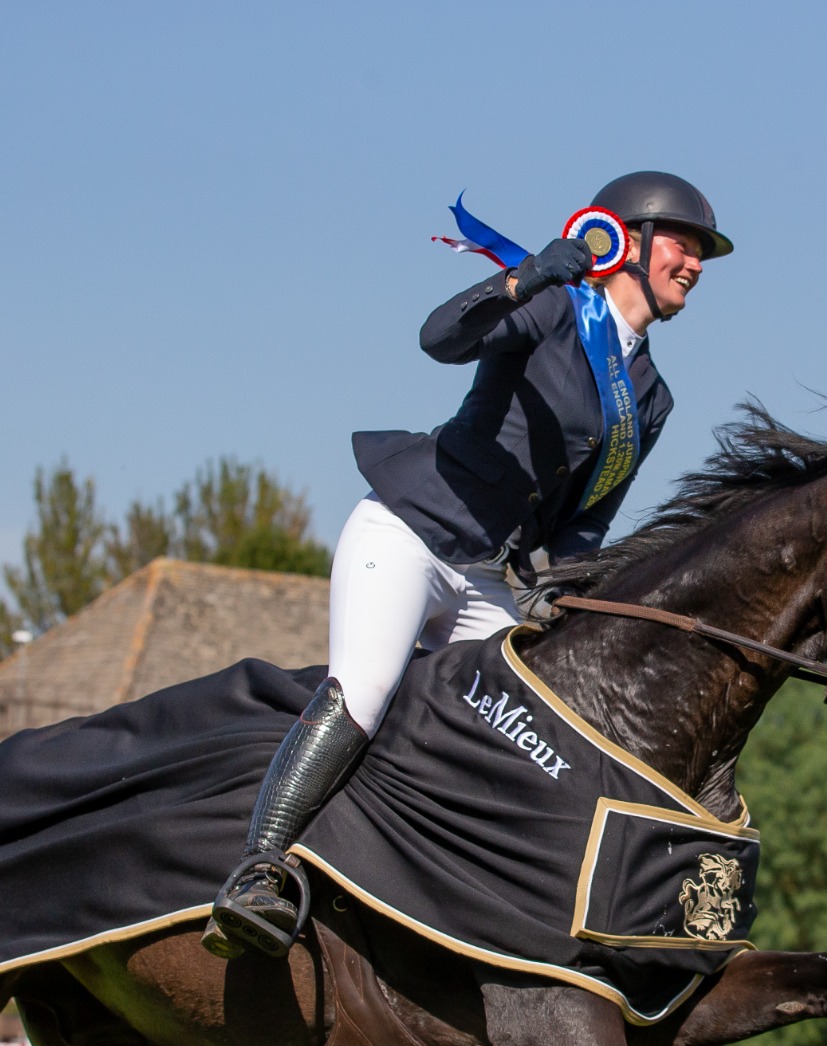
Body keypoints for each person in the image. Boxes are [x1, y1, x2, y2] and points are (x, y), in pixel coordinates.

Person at [203, 171, 734, 959]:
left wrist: (568, 601)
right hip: (412, 532)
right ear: (629, 241)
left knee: (514, 738)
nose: (694, 265)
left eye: (700, 256)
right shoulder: (555, 307)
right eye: (683, 247)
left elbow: (587, 522)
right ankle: (258, 870)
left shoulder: (651, 397)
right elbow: (440, 339)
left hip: (490, 573)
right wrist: (526, 277)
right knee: (366, 691)